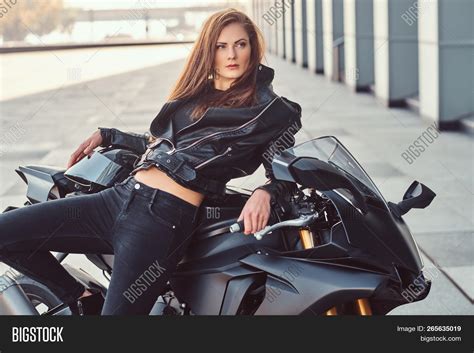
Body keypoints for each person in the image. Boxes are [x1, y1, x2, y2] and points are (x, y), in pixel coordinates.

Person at [0, 8, 302, 315]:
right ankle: (81, 296)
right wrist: (109, 135)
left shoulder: (271, 112)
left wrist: (267, 192)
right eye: (221, 46)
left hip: (161, 221)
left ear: (253, 47)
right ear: (208, 52)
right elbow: (162, 147)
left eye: (240, 44)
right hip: (118, 199)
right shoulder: (196, 97)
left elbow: (284, 172)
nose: (231, 54)